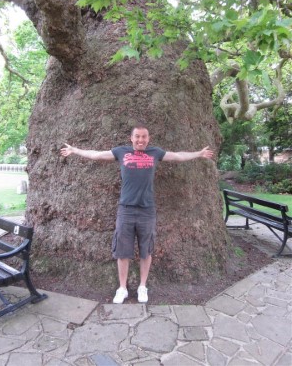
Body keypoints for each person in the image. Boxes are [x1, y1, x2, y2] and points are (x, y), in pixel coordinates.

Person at [60, 124, 214, 304]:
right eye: (137, 137)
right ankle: (122, 288)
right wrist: (75, 150)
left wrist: (199, 153)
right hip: (125, 209)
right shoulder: (121, 152)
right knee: (122, 251)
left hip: (147, 210)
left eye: (144, 137)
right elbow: (97, 155)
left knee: (146, 250)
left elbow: (178, 156)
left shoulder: (155, 153)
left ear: (148, 139)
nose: (141, 140)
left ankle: (142, 286)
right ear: (131, 138)